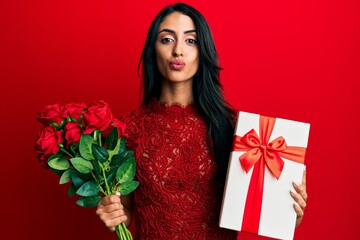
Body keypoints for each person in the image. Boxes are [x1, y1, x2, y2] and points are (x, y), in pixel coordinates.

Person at [96, 2, 308, 239]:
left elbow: (267, 210)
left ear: (202, 50)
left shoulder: (236, 129)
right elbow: (124, 212)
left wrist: (289, 210)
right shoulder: (126, 131)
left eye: (191, 40)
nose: (178, 50)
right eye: (167, 39)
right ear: (153, 50)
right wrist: (113, 214)